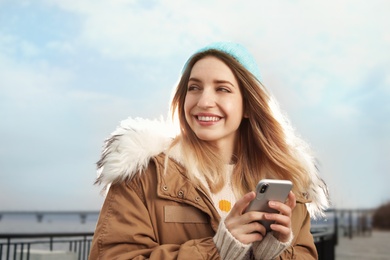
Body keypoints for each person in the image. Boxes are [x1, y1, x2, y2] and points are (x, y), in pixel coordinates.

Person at [89, 42, 329, 259]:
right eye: (194, 88)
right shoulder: (141, 176)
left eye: (222, 89)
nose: (204, 101)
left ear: (248, 105)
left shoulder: (288, 184)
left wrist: (272, 253)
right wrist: (216, 250)